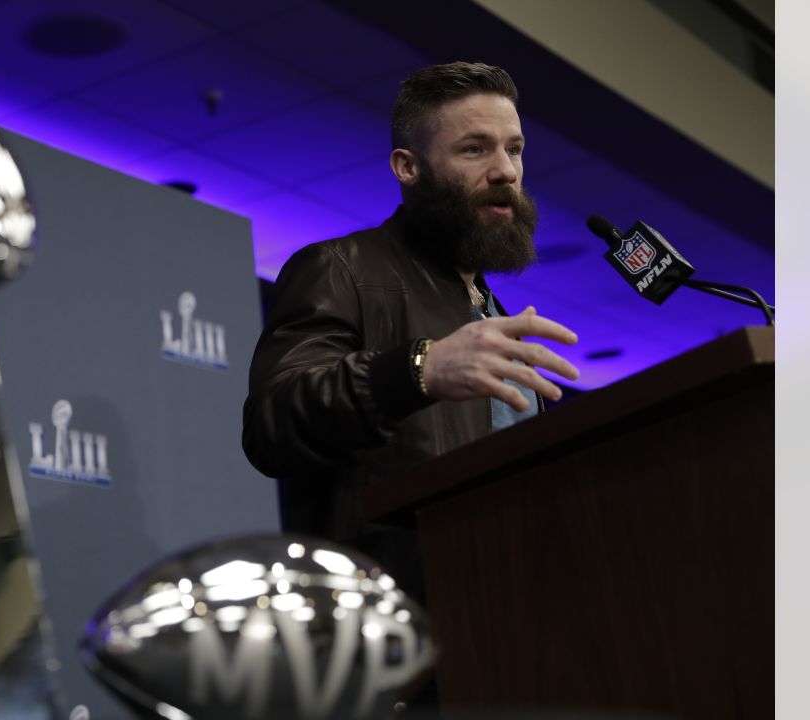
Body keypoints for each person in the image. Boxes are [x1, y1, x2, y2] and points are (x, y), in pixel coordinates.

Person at [242, 62, 581, 598]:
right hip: (394, 622)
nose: (505, 172)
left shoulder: (493, 314)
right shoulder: (342, 268)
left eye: (513, 149)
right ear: (408, 167)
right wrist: (417, 369)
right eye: (475, 149)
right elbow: (274, 423)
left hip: (514, 612)